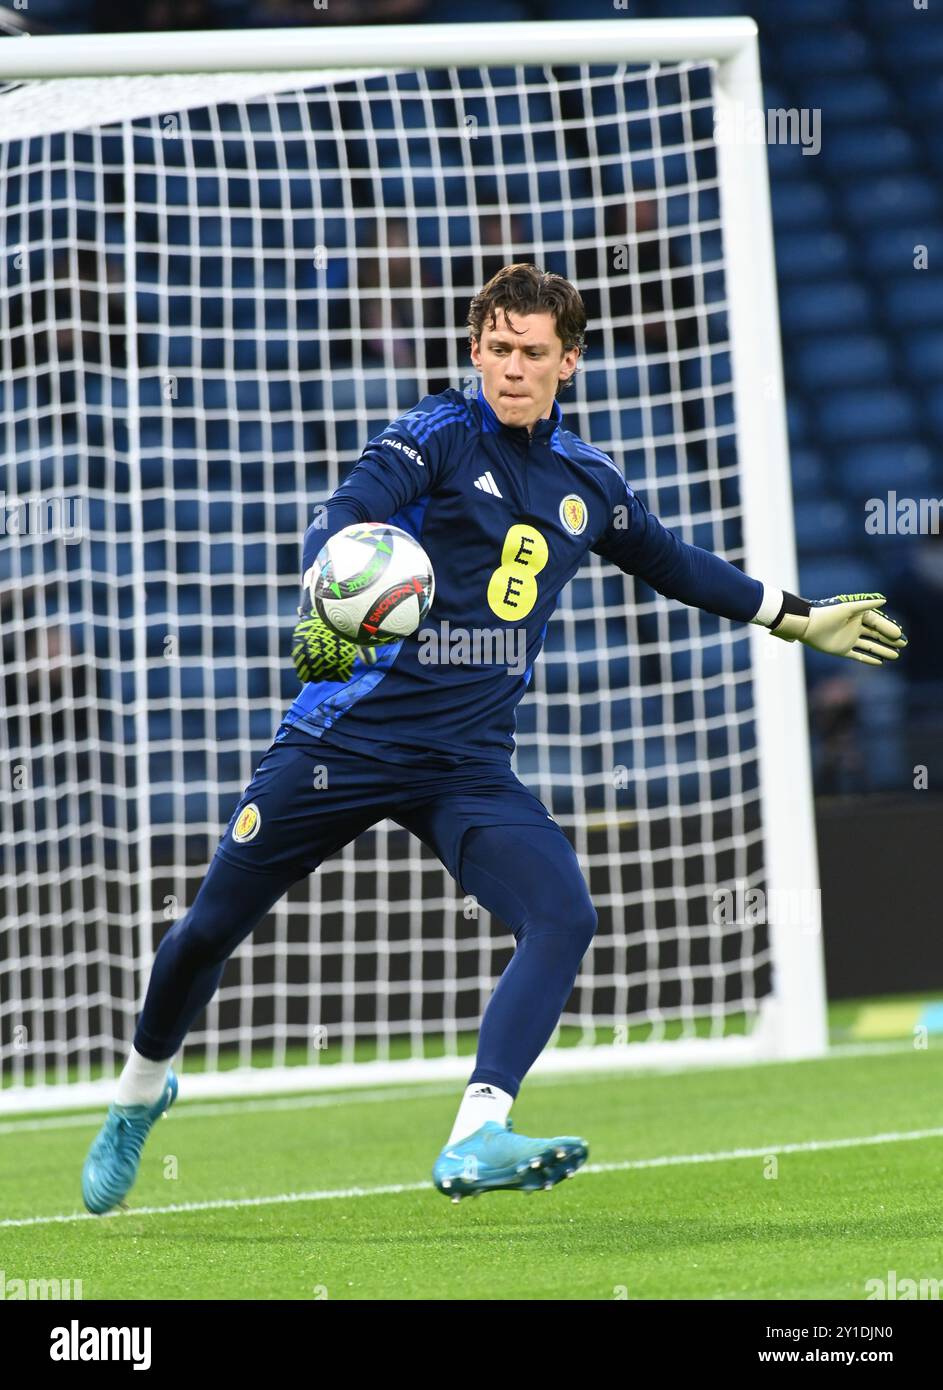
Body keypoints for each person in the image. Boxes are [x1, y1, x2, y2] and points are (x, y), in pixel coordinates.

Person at [81, 263, 907, 1212]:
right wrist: (334, 574)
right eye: (498, 349)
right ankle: (140, 1092)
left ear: (570, 363)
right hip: (339, 745)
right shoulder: (431, 437)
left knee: (564, 916)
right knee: (206, 933)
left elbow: (673, 563)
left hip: (467, 764)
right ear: (475, 350)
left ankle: (477, 1131)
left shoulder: (587, 482)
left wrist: (795, 618)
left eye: (532, 353)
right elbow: (347, 509)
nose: (512, 368)